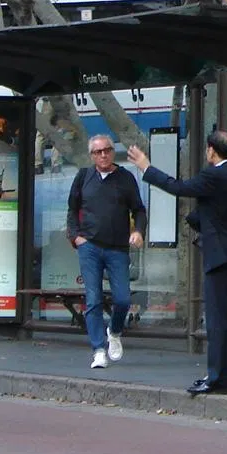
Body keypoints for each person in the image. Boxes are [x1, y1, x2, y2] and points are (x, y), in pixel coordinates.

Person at [128, 130, 227, 395]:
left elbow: (179, 188)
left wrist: (146, 167)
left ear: (211, 150)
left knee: (218, 319)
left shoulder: (214, 174)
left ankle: (216, 378)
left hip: (221, 257)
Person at [66, 135, 146, 370]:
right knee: (93, 299)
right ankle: (98, 350)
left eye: (107, 150)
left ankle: (115, 330)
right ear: (92, 155)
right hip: (89, 246)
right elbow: (72, 209)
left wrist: (139, 231)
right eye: (98, 152)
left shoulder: (125, 178)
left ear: (113, 152)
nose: (103, 155)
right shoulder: (83, 177)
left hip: (117, 248)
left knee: (122, 299)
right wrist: (75, 236)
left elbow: (139, 210)